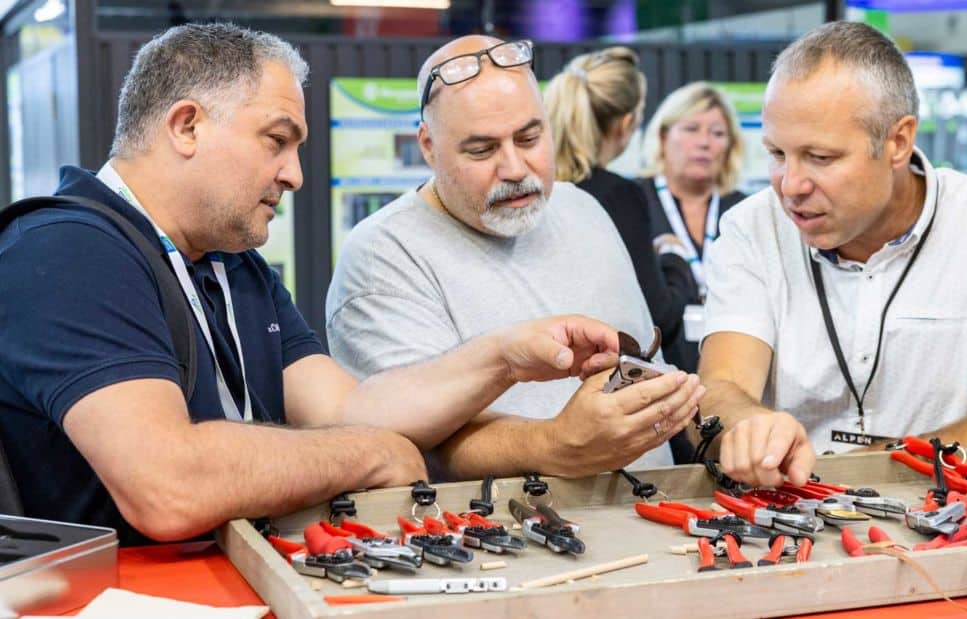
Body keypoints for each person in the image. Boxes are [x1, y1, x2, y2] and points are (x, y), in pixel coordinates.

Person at [0, 23, 628, 546]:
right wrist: (367, 455)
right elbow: (169, 486)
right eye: (278, 141)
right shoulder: (65, 250)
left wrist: (503, 356)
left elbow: (349, 409)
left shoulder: (233, 267)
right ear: (186, 126)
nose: (295, 174)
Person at [697, 21, 967, 488]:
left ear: (898, 141)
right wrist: (745, 426)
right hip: (790, 518)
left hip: (956, 531)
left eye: (820, 158)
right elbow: (720, 388)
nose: (790, 186)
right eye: (778, 153)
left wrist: (859, 469)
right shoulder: (751, 229)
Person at [326, 36, 705, 481]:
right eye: (482, 150)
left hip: (657, 519)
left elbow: (648, 371)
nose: (515, 168)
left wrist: (714, 431)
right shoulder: (383, 256)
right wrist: (555, 444)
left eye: (529, 137)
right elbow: (406, 441)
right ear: (428, 146)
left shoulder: (582, 208)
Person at [543, 48, 699, 462]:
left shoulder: (533, 193)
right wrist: (675, 261)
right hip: (607, 404)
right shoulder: (618, 195)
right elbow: (656, 315)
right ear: (628, 124)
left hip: (538, 394)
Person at [637, 82, 747, 371]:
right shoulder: (635, 202)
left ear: (730, 145)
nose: (705, 142)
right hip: (656, 363)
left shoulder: (745, 210)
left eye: (717, 133)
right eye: (691, 129)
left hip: (732, 360)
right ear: (663, 136)